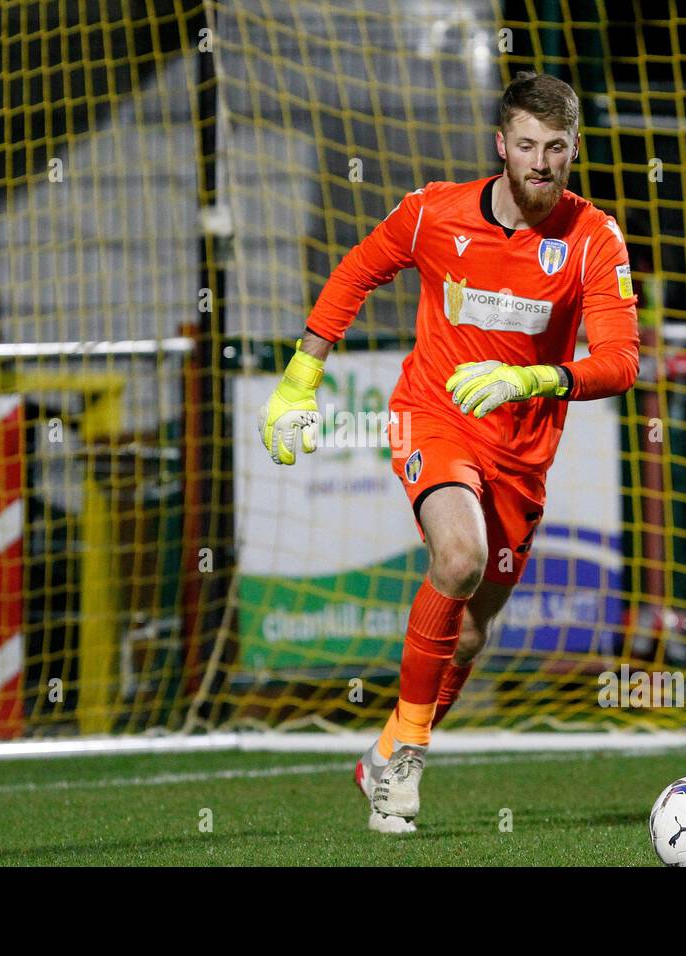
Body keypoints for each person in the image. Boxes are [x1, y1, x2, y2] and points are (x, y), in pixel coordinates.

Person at [256, 72, 640, 832]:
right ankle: (406, 764)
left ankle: (383, 754)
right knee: (458, 558)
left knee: (467, 631)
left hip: (521, 456)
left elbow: (622, 361)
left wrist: (533, 376)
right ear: (501, 146)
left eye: (555, 149)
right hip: (433, 416)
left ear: (573, 151)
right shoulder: (434, 212)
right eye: (525, 145)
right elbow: (357, 269)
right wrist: (303, 375)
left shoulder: (594, 237)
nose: (540, 162)